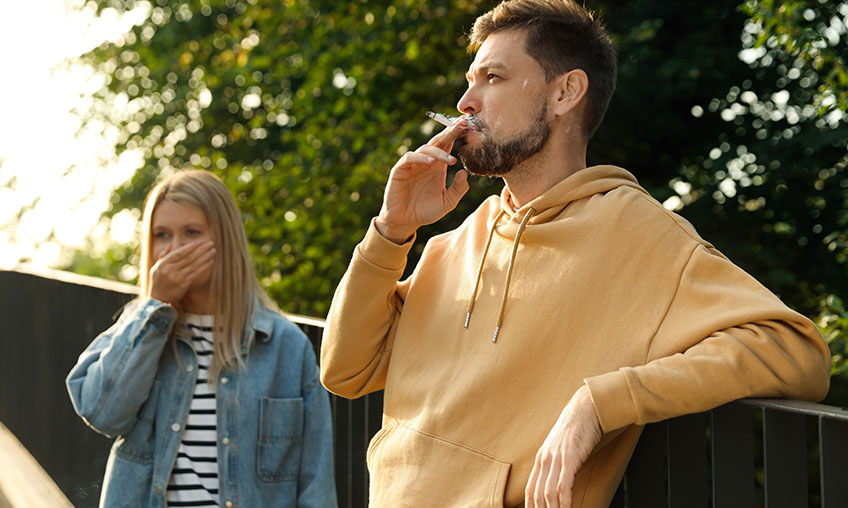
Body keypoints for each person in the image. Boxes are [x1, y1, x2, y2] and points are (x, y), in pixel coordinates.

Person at [319, 1, 831, 507]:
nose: (465, 102)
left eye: (492, 77)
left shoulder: (640, 236)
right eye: (470, 80)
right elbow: (346, 370)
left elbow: (793, 349)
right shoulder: (456, 240)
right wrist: (391, 231)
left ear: (566, 91)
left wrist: (603, 402)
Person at [67, 170, 337, 508]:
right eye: (161, 235)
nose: (174, 248)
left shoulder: (285, 346)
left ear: (224, 239)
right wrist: (154, 308)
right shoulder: (139, 329)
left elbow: (316, 483)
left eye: (191, 232)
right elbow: (101, 413)